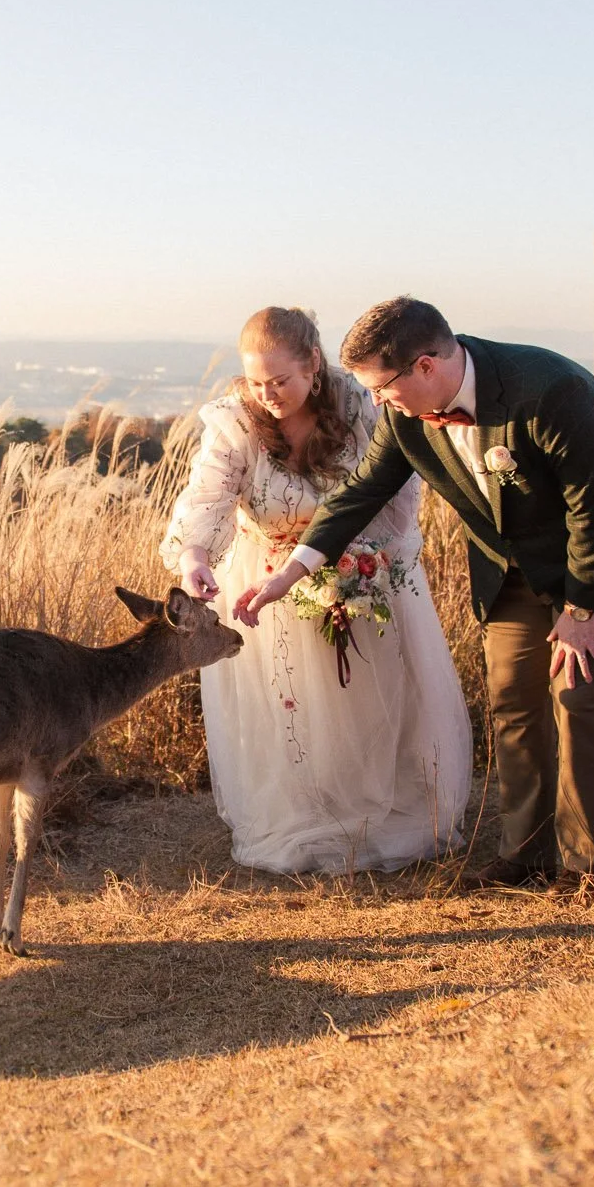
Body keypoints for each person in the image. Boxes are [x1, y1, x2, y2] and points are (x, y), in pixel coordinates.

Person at [235, 297, 594, 892]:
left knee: (579, 697)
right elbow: (360, 492)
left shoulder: (551, 392)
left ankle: (588, 869)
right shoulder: (406, 413)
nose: (377, 403)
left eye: (383, 388)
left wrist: (580, 610)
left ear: (426, 366)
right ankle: (525, 855)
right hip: (514, 564)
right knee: (514, 698)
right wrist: (292, 573)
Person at [161, 307, 473, 873]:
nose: (268, 395)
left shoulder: (360, 402)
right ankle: (305, 809)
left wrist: (367, 562)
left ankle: (378, 808)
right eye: (256, 382)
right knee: (293, 706)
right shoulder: (235, 420)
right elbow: (206, 496)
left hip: (361, 568)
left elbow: (394, 489)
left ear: (312, 363)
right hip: (267, 582)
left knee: (370, 698)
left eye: (280, 381)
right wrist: (194, 558)